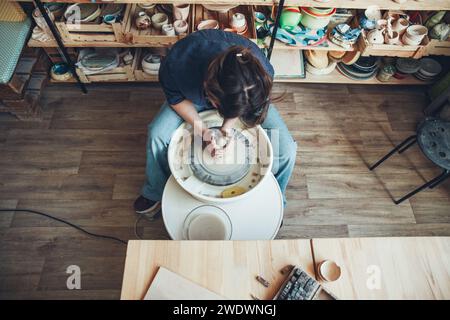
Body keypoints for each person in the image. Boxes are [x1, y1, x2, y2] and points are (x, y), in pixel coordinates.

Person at [134, 29, 297, 214]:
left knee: (287, 151)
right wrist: (203, 130)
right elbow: (176, 99)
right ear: (210, 91)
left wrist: (226, 130)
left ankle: (275, 198)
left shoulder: (261, 74)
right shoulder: (177, 63)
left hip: (240, 101)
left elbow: (245, 107)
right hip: (192, 99)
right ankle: (155, 191)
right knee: (157, 134)